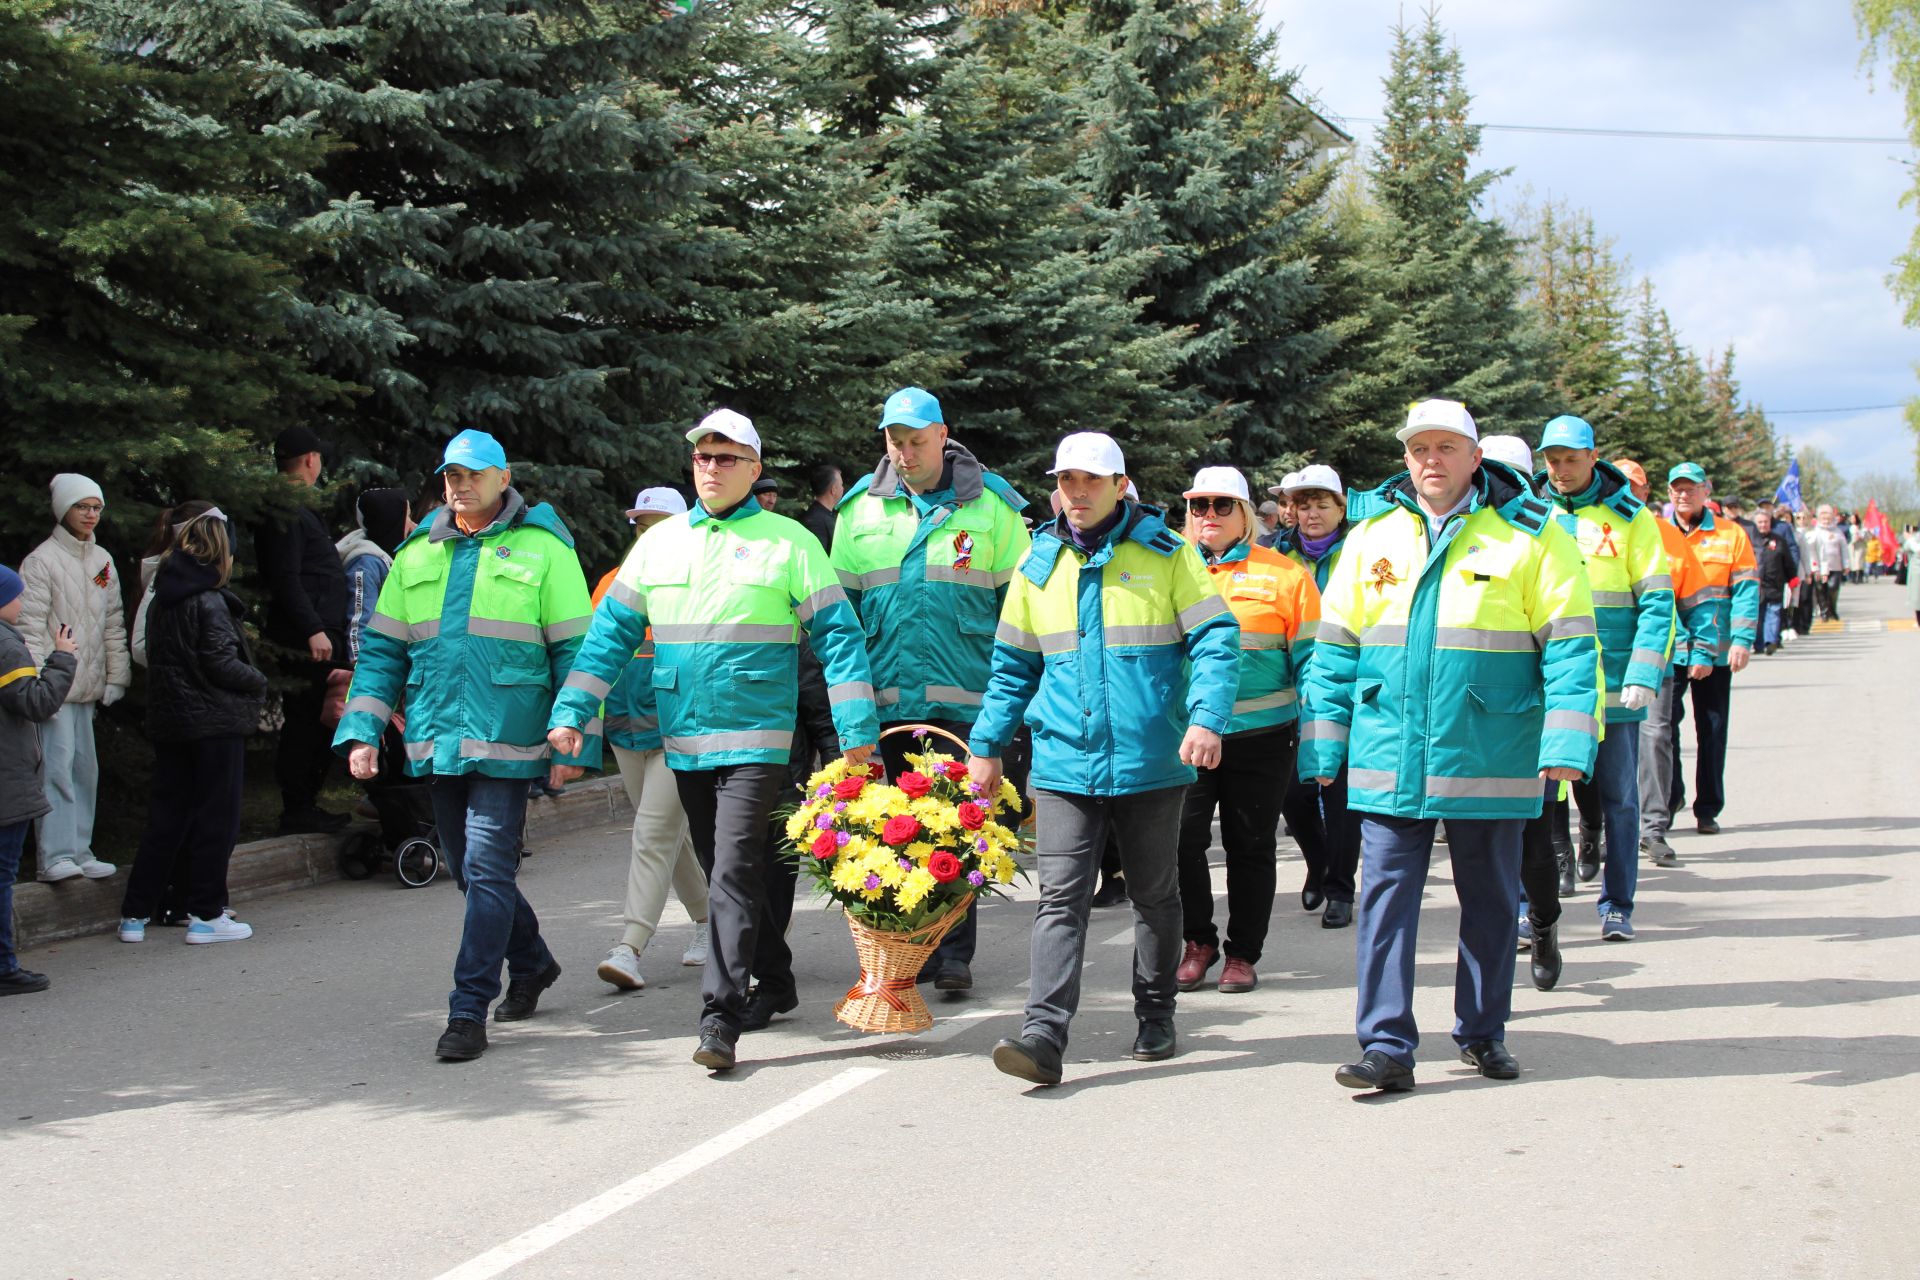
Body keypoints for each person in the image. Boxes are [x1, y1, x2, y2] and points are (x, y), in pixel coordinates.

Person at [547, 409, 879, 1074]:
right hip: (686, 739)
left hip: (759, 739)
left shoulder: (790, 542)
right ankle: (777, 982)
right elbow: (611, 633)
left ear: (754, 470)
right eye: (704, 457)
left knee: (730, 872)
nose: (713, 468)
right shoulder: (662, 545)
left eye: (728, 458)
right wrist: (573, 709)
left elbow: (839, 638)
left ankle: (719, 1016)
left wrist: (857, 734)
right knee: (729, 870)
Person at [1299, 399, 1598, 1092]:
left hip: (1490, 747)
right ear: (1405, 458)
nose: (1431, 460)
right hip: (1389, 748)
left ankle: (1483, 1031)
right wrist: (1322, 746)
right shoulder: (1372, 537)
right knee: (1384, 902)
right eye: (1418, 448)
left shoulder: (1533, 533)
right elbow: (1334, 650)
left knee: (1491, 898)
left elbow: (1573, 648)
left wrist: (1566, 741)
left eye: (1446, 448)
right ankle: (1385, 1046)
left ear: (1473, 456)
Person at [967, 431, 1240, 1086]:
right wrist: (985, 746)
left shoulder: (1168, 556)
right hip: (1065, 761)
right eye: (1067, 481)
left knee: (1154, 894)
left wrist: (1206, 718)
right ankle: (1044, 1036)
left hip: (1150, 760)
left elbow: (1217, 639)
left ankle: (1156, 1012)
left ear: (1120, 487)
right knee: (1060, 898)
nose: (1077, 493)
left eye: (1091, 481)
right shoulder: (1038, 564)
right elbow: (1011, 668)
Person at [335, 429, 600, 1062]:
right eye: (451, 475)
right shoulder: (417, 553)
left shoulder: (543, 550)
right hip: (437, 737)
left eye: (473, 474)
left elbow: (577, 654)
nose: (460, 484)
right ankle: (532, 962)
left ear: (502, 477)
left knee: (484, 869)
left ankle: (466, 1009)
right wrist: (361, 730)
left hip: (509, 739)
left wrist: (570, 745)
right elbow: (381, 654)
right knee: (470, 873)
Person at [830, 385, 1031, 992]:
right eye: (895, 442)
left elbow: (1021, 614)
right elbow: (839, 616)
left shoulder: (994, 509)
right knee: (890, 829)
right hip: (886, 700)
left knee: (961, 828)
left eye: (916, 441)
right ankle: (899, 946)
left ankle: (951, 954)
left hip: (969, 702)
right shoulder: (858, 511)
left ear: (943, 435)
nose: (906, 453)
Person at [1172, 466, 1317, 994]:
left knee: (1249, 846)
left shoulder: (1285, 575)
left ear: (1245, 514)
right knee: (1182, 842)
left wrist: (1319, 739)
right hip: (1189, 735)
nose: (1208, 515)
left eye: (1221, 505)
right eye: (1198, 506)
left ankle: (1243, 954)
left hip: (1263, 736)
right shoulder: (1172, 567)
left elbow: (1313, 663)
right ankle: (1198, 941)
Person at [1534, 416, 1672, 951]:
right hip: (1550, 686)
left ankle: (1617, 906)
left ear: (1593, 457)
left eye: (1570, 459)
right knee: (1539, 802)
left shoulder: (1631, 518)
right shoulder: (1528, 512)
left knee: (1619, 801)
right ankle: (1535, 909)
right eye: (1552, 460)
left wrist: (1643, 670)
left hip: (1616, 687)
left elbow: (1658, 601)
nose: (1561, 470)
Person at [117, 509, 269, 945]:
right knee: (216, 818)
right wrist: (256, 679)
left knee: (166, 816)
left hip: (172, 720)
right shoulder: (210, 601)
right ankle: (205, 912)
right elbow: (220, 662)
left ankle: (135, 913)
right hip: (215, 721)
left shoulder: (162, 597)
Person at [591, 486, 712, 992]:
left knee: (653, 831)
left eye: (658, 524)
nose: (648, 533)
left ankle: (630, 945)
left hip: (675, 728)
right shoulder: (611, 584)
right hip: (624, 729)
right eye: (642, 524)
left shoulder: (698, 580)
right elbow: (592, 657)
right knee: (670, 836)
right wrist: (587, 721)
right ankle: (710, 922)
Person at [17, 473, 128, 882]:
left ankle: (81, 849)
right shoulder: (42, 561)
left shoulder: (102, 561)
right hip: (55, 689)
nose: (91, 515)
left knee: (85, 769)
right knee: (56, 770)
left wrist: (116, 675)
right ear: (64, 509)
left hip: (88, 685)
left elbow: (113, 622)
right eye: (82, 507)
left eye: (96, 507)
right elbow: (29, 629)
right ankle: (55, 855)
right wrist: (41, 686)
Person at [1614, 460, 1714, 870]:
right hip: (1603, 657)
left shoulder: (1667, 534)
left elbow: (1695, 597)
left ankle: (1652, 828)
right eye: (1620, 485)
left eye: (1634, 487)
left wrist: (1705, 647)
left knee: (1654, 736)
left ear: (1645, 490)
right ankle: (1595, 831)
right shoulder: (1589, 529)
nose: (1627, 493)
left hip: (1656, 657)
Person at [256, 426, 352, 835]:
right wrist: (313, 628)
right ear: (311, 459)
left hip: (315, 631)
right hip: (304, 637)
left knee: (317, 718)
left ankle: (306, 802)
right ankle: (298, 807)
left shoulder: (295, 507)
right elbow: (286, 576)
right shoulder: (285, 509)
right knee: (306, 720)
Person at [1278, 464, 1359, 928]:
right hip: (1292, 689)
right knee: (1295, 794)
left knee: (1341, 792)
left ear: (1340, 508)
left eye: (1321, 505)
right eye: (1303, 505)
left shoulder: (1360, 551)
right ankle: (1318, 862)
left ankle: (1340, 889)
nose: (1311, 514)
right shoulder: (1277, 553)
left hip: (1345, 683)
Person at [1665, 462, 1758, 836]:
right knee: (1663, 730)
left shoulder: (1731, 535)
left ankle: (1708, 808)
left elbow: (1747, 591)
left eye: (1691, 488)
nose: (1683, 495)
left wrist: (1742, 640)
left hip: (1718, 651)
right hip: (1671, 650)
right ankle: (1669, 798)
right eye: (1677, 489)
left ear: (1707, 491)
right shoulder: (1656, 533)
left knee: (1712, 729)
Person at [1, 563, 78, 994]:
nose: (22, 601)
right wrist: (63, 657)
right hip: (7, 778)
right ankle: (4, 966)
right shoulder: (6, 647)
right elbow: (37, 702)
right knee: (2, 876)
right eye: (16, 595)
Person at [336, 489, 416, 663]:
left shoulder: (383, 559)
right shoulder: (366, 563)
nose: (413, 526)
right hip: (368, 672)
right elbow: (359, 619)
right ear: (391, 522)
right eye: (407, 517)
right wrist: (360, 669)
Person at [1750, 508, 1797, 655]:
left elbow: (1787, 560)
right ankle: (1758, 644)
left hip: (1775, 583)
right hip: (1756, 584)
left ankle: (1770, 642)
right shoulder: (1748, 540)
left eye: (1766, 522)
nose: (1763, 525)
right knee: (1758, 616)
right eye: (1760, 522)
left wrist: (1792, 577)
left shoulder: (1778, 540)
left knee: (1774, 612)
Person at [801, 464, 843, 552]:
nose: (843, 488)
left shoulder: (826, 515)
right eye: (841, 485)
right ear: (833, 490)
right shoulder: (815, 521)